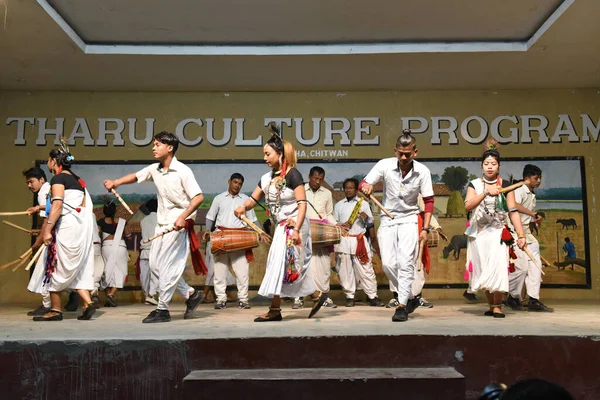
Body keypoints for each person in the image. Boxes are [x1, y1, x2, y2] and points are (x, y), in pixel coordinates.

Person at [103, 131, 205, 323]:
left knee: (166, 267)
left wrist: (183, 217)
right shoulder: (155, 169)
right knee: (155, 266)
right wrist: (116, 182)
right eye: (154, 144)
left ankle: (163, 309)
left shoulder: (183, 171)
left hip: (177, 225)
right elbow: (136, 176)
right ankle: (191, 294)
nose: (154, 147)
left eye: (158, 144)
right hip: (162, 224)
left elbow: (198, 197)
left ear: (170, 148)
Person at [234, 123, 327, 322]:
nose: (264, 158)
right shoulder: (266, 178)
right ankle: (315, 296)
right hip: (281, 228)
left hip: (295, 226)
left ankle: (275, 310)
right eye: (264, 154)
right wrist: (243, 207)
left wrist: (297, 229)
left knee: (282, 265)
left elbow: (302, 204)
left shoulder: (293, 175)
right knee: (284, 266)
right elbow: (252, 200)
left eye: (268, 154)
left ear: (279, 154)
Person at [360, 129, 434, 322]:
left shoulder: (423, 171)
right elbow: (364, 184)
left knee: (405, 262)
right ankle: (412, 297)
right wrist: (366, 187)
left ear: (415, 152)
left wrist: (425, 229)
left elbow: (428, 202)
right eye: (400, 153)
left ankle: (402, 306)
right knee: (388, 264)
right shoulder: (384, 165)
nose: (403, 157)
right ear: (395, 151)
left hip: (409, 219)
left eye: (407, 154)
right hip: (388, 219)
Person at [30, 142, 97, 321]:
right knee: (78, 268)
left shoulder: (57, 179)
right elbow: (73, 205)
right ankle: (88, 303)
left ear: (54, 161)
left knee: (54, 265)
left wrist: (47, 230)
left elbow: (58, 205)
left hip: (67, 227)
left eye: (49, 161)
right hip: (81, 230)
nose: (48, 164)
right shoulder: (78, 180)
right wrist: (40, 208)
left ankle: (56, 310)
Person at [464, 140, 526, 318]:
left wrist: (520, 235)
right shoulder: (474, 184)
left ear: (498, 166)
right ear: (481, 166)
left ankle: (498, 305)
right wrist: (484, 192)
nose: (489, 167)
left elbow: (513, 211)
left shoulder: (505, 185)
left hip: (498, 232)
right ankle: (491, 304)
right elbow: (468, 206)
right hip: (479, 233)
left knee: (497, 267)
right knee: (483, 268)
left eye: (493, 164)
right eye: (486, 164)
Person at [204, 173, 258, 310]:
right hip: (221, 238)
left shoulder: (246, 200)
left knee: (242, 272)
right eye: (235, 182)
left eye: (240, 184)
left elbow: (253, 220)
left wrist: (262, 232)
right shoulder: (219, 198)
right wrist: (207, 230)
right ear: (229, 182)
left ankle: (243, 299)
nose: (237, 186)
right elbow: (210, 217)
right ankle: (221, 299)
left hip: (239, 238)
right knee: (219, 271)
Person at [506, 164, 553, 312]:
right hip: (515, 233)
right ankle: (512, 297)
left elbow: (525, 214)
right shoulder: (519, 190)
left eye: (540, 178)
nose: (538, 181)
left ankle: (533, 299)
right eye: (535, 178)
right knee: (521, 268)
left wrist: (534, 219)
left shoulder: (532, 194)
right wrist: (533, 214)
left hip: (527, 234)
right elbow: (514, 206)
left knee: (536, 267)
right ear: (526, 179)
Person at [334, 178, 384, 307]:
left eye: (351, 188)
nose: (348, 190)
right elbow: (334, 223)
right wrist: (340, 225)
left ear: (356, 190)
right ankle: (350, 296)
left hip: (359, 239)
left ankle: (372, 296)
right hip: (344, 240)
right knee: (345, 269)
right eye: (346, 187)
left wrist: (365, 218)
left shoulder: (363, 204)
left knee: (366, 268)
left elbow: (370, 223)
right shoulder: (339, 205)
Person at [293, 166, 338, 309]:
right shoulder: (300, 190)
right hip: (303, 230)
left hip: (321, 232)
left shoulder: (327, 193)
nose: (318, 182)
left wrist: (337, 226)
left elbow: (328, 213)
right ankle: (298, 298)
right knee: (300, 264)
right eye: (315, 178)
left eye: (321, 179)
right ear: (309, 177)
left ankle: (324, 296)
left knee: (323, 266)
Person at [23, 167, 53, 316]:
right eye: (27, 183)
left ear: (42, 180)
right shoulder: (49, 190)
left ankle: (47, 304)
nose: (29, 185)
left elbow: (47, 220)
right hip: (57, 235)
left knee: (44, 269)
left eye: (31, 181)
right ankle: (71, 293)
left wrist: (38, 241)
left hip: (50, 238)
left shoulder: (44, 193)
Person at [98, 201, 131, 307]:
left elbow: (97, 235)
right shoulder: (122, 222)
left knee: (107, 271)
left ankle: (108, 295)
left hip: (106, 247)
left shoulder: (100, 222)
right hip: (120, 247)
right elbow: (128, 235)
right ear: (115, 211)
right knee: (120, 271)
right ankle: (111, 295)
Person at [139, 198, 159, 305]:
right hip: (155, 251)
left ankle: (148, 295)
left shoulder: (143, 221)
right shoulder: (161, 220)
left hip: (145, 251)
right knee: (156, 275)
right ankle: (151, 295)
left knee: (144, 275)